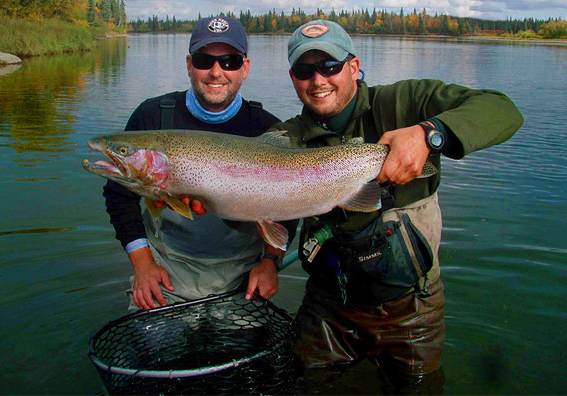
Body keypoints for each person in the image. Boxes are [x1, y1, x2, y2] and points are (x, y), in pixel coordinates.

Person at [271, 20, 524, 393]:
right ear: (293, 77)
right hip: (328, 306)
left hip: (411, 310)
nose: (318, 80)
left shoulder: (403, 102)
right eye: (304, 70)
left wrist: (429, 133)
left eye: (329, 66)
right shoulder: (286, 138)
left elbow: (503, 111)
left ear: (353, 67)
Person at [103, 16, 292, 311]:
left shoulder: (268, 129)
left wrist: (270, 261)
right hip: (165, 271)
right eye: (205, 60)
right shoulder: (153, 118)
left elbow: (289, 208)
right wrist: (142, 264)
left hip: (243, 278)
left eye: (230, 61)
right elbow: (119, 195)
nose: (216, 72)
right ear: (189, 64)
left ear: (245, 68)